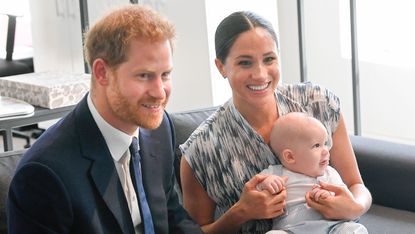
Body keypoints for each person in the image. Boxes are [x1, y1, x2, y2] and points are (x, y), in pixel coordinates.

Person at [7, 5, 202, 234]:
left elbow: (172, 217)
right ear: (101, 73)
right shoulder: (43, 175)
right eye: (144, 76)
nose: (160, 92)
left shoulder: (158, 131)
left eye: (165, 74)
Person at [180, 10, 372, 234]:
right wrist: (241, 212)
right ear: (221, 66)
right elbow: (195, 232)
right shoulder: (200, 151)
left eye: (269, 59)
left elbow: (356, 185)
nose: (260, 75)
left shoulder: (318, 104)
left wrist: (353, 206)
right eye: (245, 63)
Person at [256, 112, 368, 233]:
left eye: (325, 143)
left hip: (332, 228)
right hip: (292, 230)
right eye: (316, 145)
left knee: (352, 230)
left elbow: (344, 200)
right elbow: (255, 188)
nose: (326, 151)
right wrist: (266, 183)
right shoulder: (276, 173)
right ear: (289, 157)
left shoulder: (330, 173)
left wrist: (328, 197)